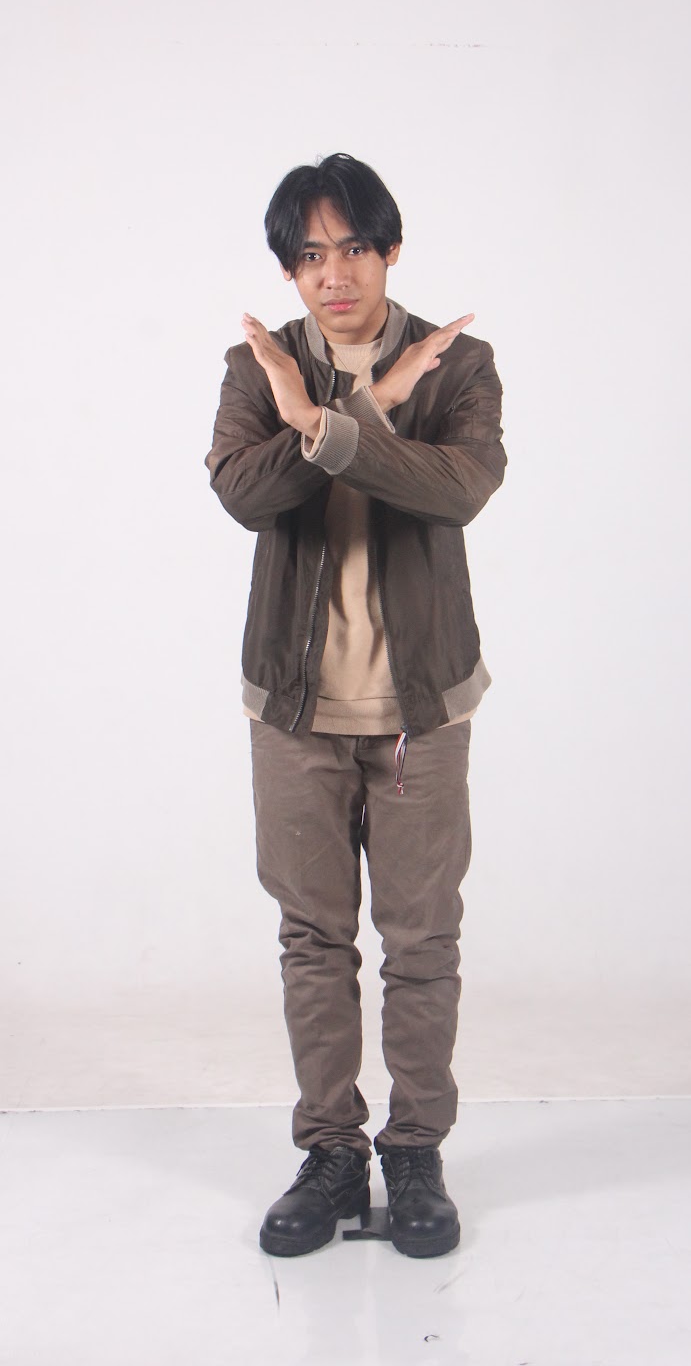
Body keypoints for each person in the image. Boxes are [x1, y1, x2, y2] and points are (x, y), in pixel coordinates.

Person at [204, 153, 505, 1259]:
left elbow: (457, 488)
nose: (332, 275)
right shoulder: (257, 365)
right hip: (293, 712)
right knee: (311, 939)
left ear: (389, 250)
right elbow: (245, 492)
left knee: (421, 941)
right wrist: (367, 406)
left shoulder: (458, 364)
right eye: (309, 256)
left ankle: (414, 1148)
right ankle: (331, 1151)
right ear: (290, 271)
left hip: (421, 705)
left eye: (353, 248)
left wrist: (333, 421)